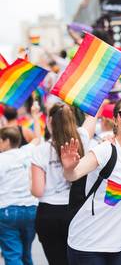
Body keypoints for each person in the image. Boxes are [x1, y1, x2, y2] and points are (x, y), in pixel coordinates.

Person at [61, 96, 121, 265]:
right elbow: (73, 175)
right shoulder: (105, 150)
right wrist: (69, 167)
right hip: (89, 245)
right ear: (115, 119)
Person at [31, 103, 96, 265]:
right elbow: (92, 118)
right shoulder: (81, 138)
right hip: (77, 210)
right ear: (72, 120)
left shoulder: (40, 151)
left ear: (50, 121)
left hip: (49, 213)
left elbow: (38, 191)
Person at [0, 102, 41, 265]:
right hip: (31, 209)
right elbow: (38, 138)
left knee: (12, 255)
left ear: (6, 141)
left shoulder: (1, 159)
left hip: (7, 210)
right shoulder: (28, 151)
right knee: (26, 254)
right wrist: (35, 115)